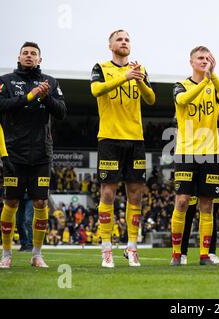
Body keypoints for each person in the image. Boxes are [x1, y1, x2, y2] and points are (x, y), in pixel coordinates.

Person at [0, 41, 67, 268]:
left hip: (42, 153)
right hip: (14, 152)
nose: (29, 56)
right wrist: (30, 95)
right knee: (11, 201)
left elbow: (62, 112)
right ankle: (6, 254)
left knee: (40, 202)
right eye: (25, 53)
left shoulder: (51, 82)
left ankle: (37, 254)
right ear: (18, 57)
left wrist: (45, 96)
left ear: (40, 59)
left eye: (33, 53)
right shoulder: (5, 81)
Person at [90, 29, 155, 268]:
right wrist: (125, 77)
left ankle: (132, 247)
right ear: (110, 46)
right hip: (109, 138)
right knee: (108, 192)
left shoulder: (140, 69)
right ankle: (106, 248)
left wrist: (138, 80)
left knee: (135, 194)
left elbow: (150, 99)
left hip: (135, 139)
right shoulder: (100, 67)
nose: (124, 42)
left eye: (127, 39)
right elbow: (96, 91)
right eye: (120, 39)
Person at [170, 46, 219, 266]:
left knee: (207, 205)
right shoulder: (181, 86)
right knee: (183, 201)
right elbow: (183, 101)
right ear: (191, 62)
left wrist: (212, 77)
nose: (204, 61)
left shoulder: (213, 84)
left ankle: (205, 255)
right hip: (186, 152)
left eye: (207, 58)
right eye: (200, 58)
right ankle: (177, 254)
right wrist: (206, 82)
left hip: (211, 153)